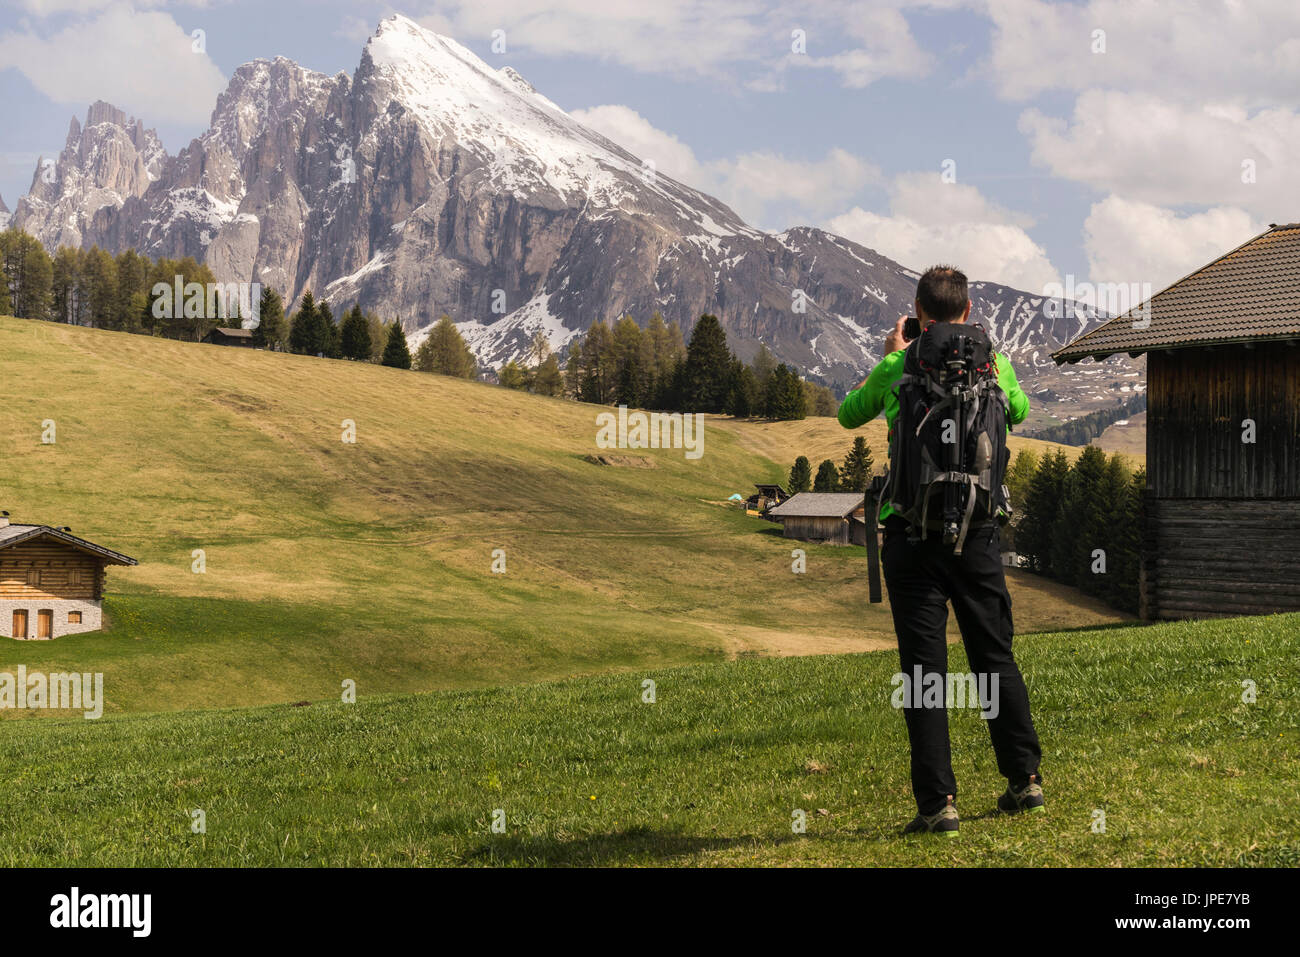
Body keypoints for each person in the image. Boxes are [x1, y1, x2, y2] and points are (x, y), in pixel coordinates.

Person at [837, 265, 1043, 836]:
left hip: (912, 534)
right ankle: (1025, 782)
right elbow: (1020, 412)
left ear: (918, 311)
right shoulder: (993, 363)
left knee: (925, 672)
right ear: (969, 309)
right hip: (978, 534)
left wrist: (887, 356)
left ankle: (938, 806)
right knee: (993, 658)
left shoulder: (899, 364)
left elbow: (848, 414)